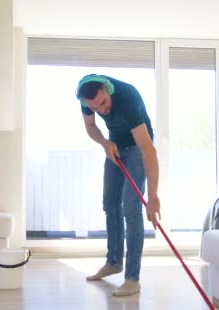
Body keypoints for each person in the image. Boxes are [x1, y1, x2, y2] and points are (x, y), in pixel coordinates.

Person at [75, 73, 161, 297]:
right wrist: (105, 143)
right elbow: (91, 126)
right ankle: (114, 262)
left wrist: (153, 197)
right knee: (110, 203)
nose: (102, 110)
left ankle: (133, 278)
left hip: (136, 148)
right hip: (114, 145)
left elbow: (149, 151)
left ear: (107, 89)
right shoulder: (86, 99)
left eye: (103, 103)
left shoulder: (128, 99)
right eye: (95, 107)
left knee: (131, 208)